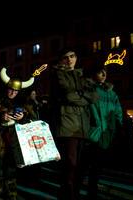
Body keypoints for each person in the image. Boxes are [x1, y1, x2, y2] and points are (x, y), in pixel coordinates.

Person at [49, 48, 98, 200]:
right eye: (66, 57)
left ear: (76, 58)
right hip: (68, 125)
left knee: (80, 166)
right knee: (70, 164)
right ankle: (67, 194)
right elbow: (68, 95)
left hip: (83, 125)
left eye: (72, 56)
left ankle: (73, 193)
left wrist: (82, 95)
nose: (69, 59)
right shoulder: (59, 74)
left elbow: (94, 96)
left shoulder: (82, 74)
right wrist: (84, 98)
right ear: (61, 60)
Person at [0, 66, 36, 200]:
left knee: (11, 174)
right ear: (6, 88)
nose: (12, 93)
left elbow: (33, 122)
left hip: (15, 144)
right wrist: (0, 117)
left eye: (15, 91)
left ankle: (11, 196)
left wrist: (22, 118)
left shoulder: (25, 104)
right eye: (10, 89)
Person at [85, 65, 123, 199]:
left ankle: (92, 191)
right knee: (91, 165)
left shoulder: (111, 93)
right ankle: (91, 192)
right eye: (100, 72)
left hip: (107, 132)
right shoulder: (90, 89)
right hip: (94, 131)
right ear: (94, 74)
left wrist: (119, 125)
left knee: (98, 165)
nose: (103, 75)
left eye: (104, 73)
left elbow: (118, 111)